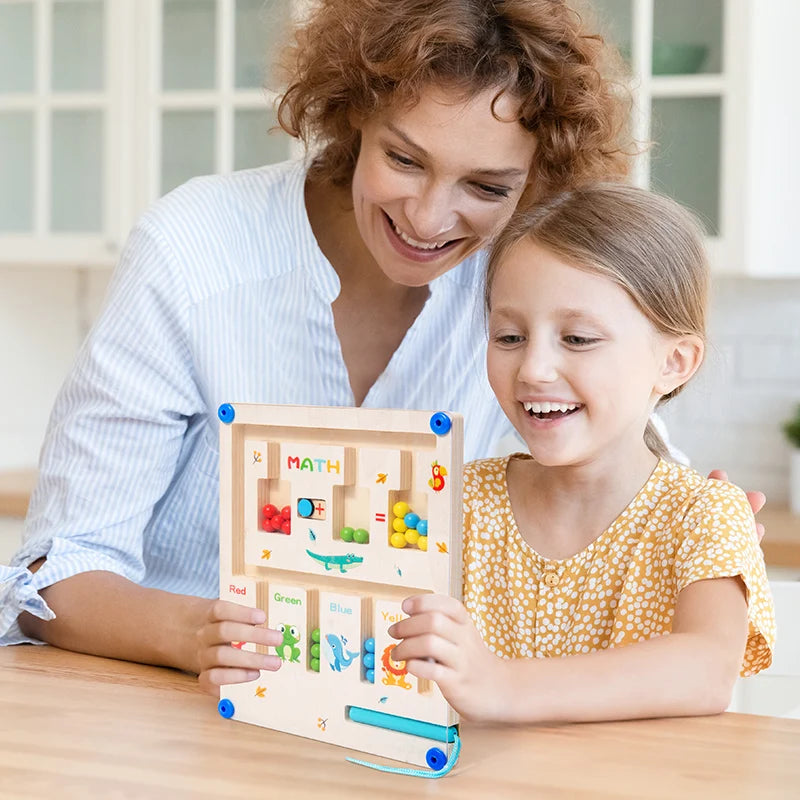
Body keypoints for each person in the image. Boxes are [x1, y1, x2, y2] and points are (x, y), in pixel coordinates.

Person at [0, 0, 764, 693]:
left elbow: (630, 467)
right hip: (154, 706)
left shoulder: (529, 283)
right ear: (352, 113)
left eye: (488, 188)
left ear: (537, 183)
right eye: (404, 159)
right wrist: (196, 633)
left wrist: (692, 528)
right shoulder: (195, 249)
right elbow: (55, 574)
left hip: (394, 735)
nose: (431, 218)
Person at [388, 183, 775, 723]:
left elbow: (707, 670)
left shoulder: (705, 515)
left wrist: (502, 685)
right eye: (508, 336)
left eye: (577, 339)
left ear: (675, 362)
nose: (533, 369)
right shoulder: (454, 498)